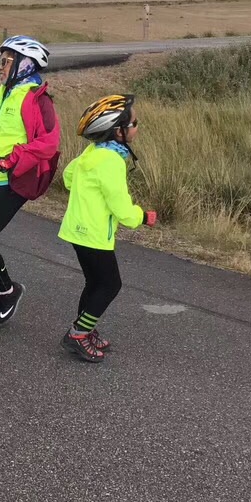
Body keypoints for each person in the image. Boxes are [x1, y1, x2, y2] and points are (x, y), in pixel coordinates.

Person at [0, 35, 61, 327]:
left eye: (6, 61)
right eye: (1, 61)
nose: (1, 66)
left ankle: (8, 291)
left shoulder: (36, 98)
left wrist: (14, 158)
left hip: (14, 180)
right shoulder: (6, 94)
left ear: (25, 64)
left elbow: (49, 142)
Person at [59, 94, 156, 362]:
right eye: (134, 123)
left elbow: (68, 177)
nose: (137, 127)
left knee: (94, 282)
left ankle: (85, 329)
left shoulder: (93, 151)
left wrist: (87, 192)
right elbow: (122, 209)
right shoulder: (112, 161)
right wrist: (142, 217)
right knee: (111, 284)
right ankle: (78, 334)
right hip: (94, 233)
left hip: (76, 230)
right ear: (118, 131)